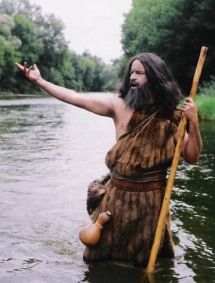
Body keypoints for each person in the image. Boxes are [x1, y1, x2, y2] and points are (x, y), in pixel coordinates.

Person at [16, 52, 202, 266]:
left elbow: (192, 157)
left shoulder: (172, 117)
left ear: (155, 77)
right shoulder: (119, 106)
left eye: (139, 73)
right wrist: (39, 81)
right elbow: (75, 97)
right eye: (131, 72)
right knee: (98, 258)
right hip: (116, 198)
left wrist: (194, 123)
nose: (133, 77)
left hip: (151, 203)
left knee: (144, 261)